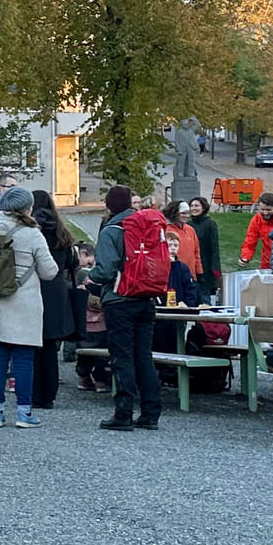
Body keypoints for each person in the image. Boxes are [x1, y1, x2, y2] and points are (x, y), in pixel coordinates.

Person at [0, 187, 59, 428]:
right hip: (23, 303)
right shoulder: (32, 234)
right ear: (27, 208)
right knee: (23, 359)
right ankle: (24, 412)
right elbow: (50, 272)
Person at [86, 184, 167, 431]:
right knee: (144, 355)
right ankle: (151, 412)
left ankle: (123, 412)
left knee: (122, 355)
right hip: (146, 298)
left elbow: (107, 268)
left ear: (109, 205)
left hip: (120, 298)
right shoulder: (144, 226)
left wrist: (92, 277)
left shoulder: (112, 230)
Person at [31, 190, 76, 410]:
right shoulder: (61, 231)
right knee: (49, 346)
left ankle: (33, 391)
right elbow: (70, 262)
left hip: (34, 287)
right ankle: (48, 394)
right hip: (57, 291)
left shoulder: (31, 230)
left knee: (30, 344)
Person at [185, 197, 224, 303]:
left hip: (206, 267)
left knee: (204, 299)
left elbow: (214, 247)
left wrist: (216, 268)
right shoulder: (188, 225)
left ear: (203, 207)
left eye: (197, 206)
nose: (194, 208)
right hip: (191, 267)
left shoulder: (210, 224)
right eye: (192, 206)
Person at [239, 199, 273, 266]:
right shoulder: (256, 220)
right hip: (267, 261)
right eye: (262, 209)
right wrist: (245, 257)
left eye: (268, 210)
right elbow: (250, 241)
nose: (265, 213)